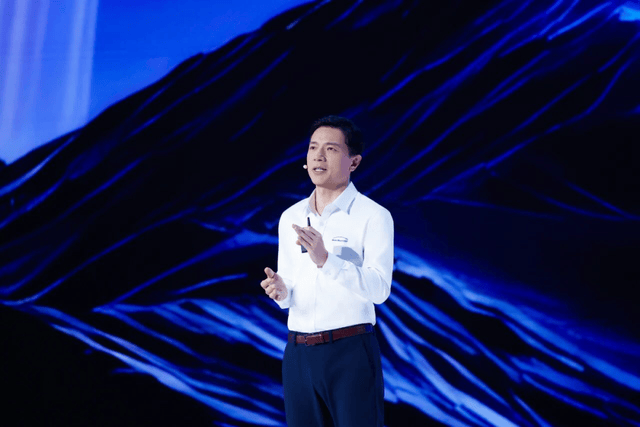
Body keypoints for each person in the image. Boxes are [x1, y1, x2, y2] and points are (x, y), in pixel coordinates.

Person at [260, 115, 394, 427]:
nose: (318, 156)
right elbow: (290, 286)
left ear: (354, 162)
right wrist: (281, 291)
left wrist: (326, 259)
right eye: (313, 148)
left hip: (350, 352)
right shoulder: (291, 216)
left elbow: (379, 289)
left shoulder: (373, 216)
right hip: (298, 353)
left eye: (331, 149)